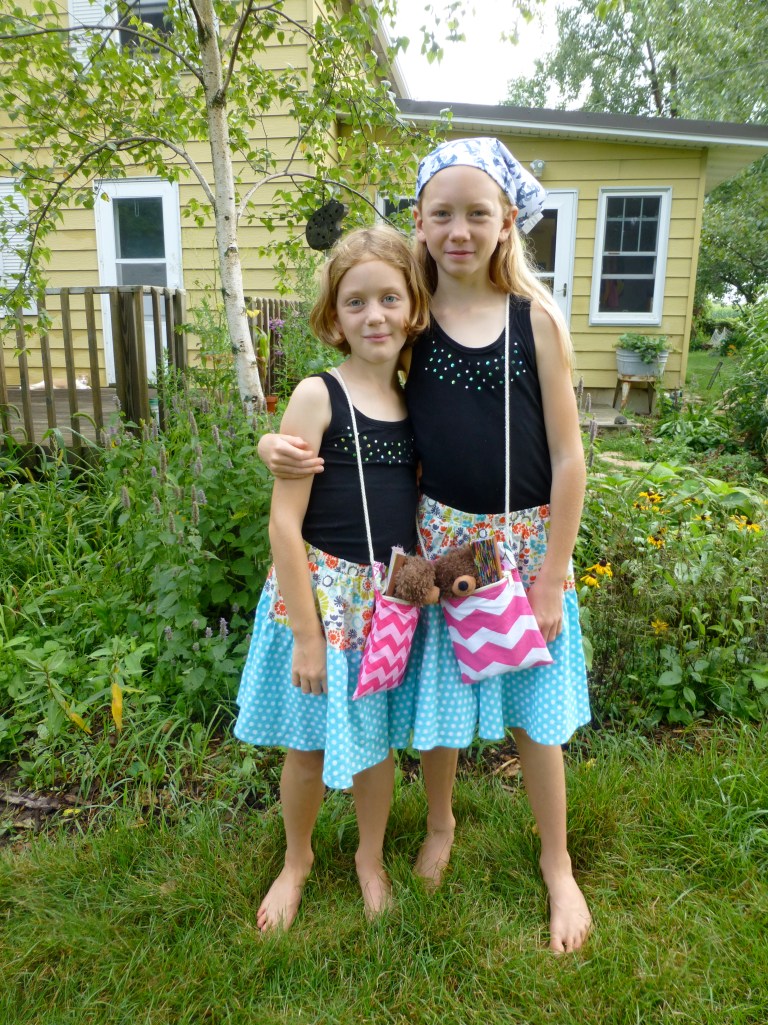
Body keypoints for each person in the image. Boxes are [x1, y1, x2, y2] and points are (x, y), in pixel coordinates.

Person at [257, 138, 593, 953]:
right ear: (420, 220)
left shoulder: (534, 322)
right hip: (438, 543)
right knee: (439, 704)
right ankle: (437, 824)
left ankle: (559, 863)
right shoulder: (413, 319)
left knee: (532, 717)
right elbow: (354, 399)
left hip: (522, 549)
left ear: (508, 220)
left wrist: (552, 576)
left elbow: (571, 454)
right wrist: (277, 449)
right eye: (441, 213)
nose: (459, 229)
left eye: (478, 213)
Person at [236, 224, 430, 931]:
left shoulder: (417, 404)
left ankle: (369, 857)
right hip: (320, 599)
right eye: (355, 302)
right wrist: (306, 635)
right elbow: (284, 524)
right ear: (333, 316)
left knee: (376, 742)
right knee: (309, 746)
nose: (373, 314)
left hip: (387, 604)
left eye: (388, 298)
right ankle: (297, 859)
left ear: (412, 308)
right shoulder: (320, 396)